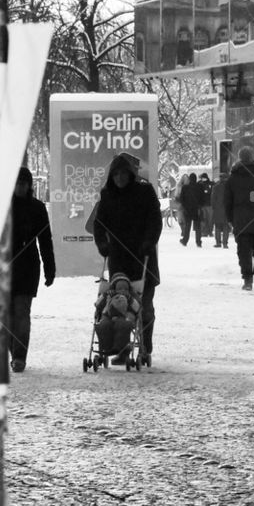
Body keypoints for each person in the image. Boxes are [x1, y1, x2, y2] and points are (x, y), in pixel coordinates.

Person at [91, 153, 162, 361]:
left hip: (143, 257)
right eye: (116, 174)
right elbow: (99, 223)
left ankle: (145, 345)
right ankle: (121, 349)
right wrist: (102, 243)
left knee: (144, 306)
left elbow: (155, 220)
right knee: (117, 305)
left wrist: (149, 241)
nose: (120, 178)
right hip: (118, 260)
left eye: (123, 173)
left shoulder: (145, 192)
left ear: (130, 174)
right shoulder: (107, 195)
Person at [9, 166, 56, 372]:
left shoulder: (37, 208)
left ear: (28, 185)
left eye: (23, 183)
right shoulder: (0, 207)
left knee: (21, 312)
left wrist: (50, 267)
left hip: (27, 267)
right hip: (3, 267)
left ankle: (19, 356)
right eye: (17, 183)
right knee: (7, 315)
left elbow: (45, 240)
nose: (20, 187)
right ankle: (14, 351)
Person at [224, 146, 254, 290]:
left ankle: (247, 280)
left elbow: (227, 201)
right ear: (253, 158)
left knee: (244, 251)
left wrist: (230, 219)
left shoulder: (232, 179)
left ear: (239, 158)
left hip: (240, 220)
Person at [94, 273, 141, 365]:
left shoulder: (131, 297)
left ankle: (120, 348)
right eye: (119, 289)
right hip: (108, 316)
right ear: (114, 288)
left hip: (125, 317)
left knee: (123, 325)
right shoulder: (108, 295)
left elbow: (137, 308)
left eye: (125, 289)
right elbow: (97, 305)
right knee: (103, 326)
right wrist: (105, 295)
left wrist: (130, 299)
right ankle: (106, 348)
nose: (123, 291)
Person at [178, 172, 203, 247]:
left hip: (187, 210)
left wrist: (185, 206)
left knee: (187, 226)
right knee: (198, 227)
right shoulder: (200, 187)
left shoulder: (185, 187)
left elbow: (181, 199)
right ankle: (198, 242)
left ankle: (185, 240)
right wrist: (200, 206)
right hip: (197, 209)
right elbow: (203, 198)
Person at [211, 171, 231, 248]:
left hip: (217, 210)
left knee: (217, 227)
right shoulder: (230, 187)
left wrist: (214, 207)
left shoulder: (215, 187)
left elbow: (212, 199)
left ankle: (218, 242)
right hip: (227, 210)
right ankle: (225, 243)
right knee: (226, 227)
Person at [198, 173, 214, 238]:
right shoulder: (200, 184)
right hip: (203, 204)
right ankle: (204, 232)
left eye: (203, 178)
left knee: (210, 219)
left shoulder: (211, 184)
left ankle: (209, 231)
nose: (203, 179)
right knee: (204, 219)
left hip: (209, 204)